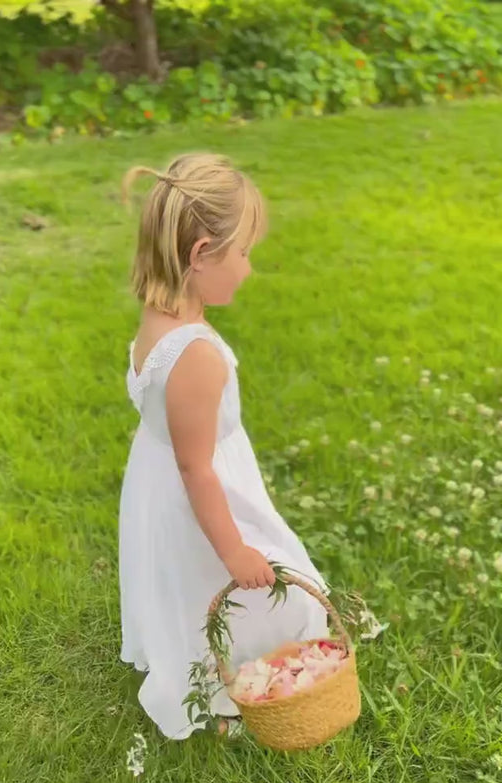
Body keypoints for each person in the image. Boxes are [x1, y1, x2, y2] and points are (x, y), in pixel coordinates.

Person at [119, 153, 330, 740]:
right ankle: (220, 682)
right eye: (244, 252)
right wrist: (235, 549)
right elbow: (197, 468)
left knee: (189, 584)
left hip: (165, 481)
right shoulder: (195, 355)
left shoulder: (160, 318)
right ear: (200, 254)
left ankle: (210, 660)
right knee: (250, 583)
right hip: (203, 492)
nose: (250, 268)